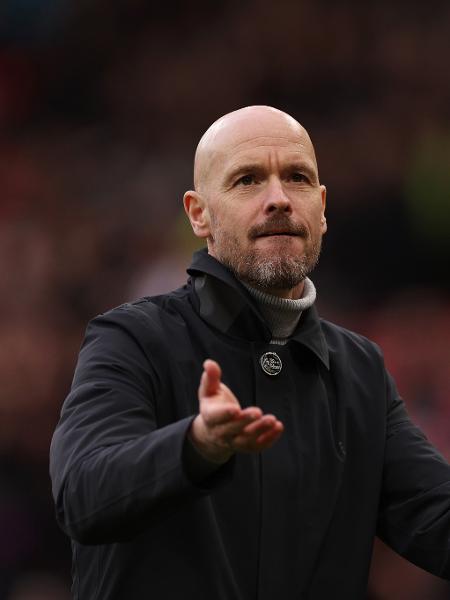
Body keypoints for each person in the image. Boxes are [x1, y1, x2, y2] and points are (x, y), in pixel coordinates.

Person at [49, 106, 450, 599]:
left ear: (322, 209)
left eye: (297, 178)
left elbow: (436, 516)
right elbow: (83, 496)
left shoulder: (359, 368)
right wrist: (195, 446)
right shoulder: (132, 340)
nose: (279, 199)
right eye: (247, 180)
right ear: (200, 214)